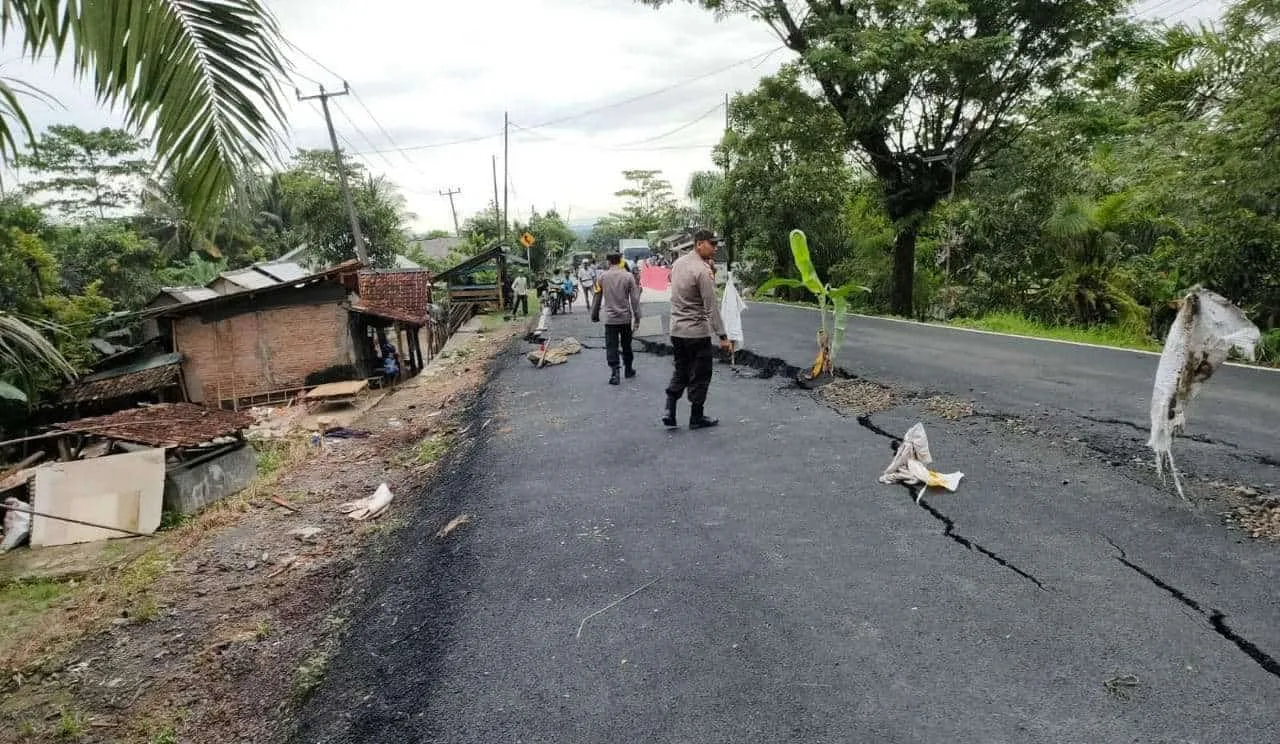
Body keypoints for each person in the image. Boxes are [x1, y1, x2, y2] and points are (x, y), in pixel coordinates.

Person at [664, 228, 731, 429]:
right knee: (701, 374)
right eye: (712, 244)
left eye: (716, 244)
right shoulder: (702, 271)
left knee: (681, 370)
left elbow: (674, 282)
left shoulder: (678, 264)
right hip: (696, 331)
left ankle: (669, 408)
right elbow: (711, 307)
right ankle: (696, 417)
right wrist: (723, 336)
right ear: (699, 243)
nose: (715, 248)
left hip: (676, 330)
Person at [596, 251, 641, 385]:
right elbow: (635, 300)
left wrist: (595, 313)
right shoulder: (628, 276)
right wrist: (637, 317)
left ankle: (615, 373)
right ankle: (628, 369)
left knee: (612, 346)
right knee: (627, 344)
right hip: (625, 318)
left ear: (608, 261)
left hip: (610, 319)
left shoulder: (602, 277)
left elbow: (597, 296)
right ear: (621, 260)